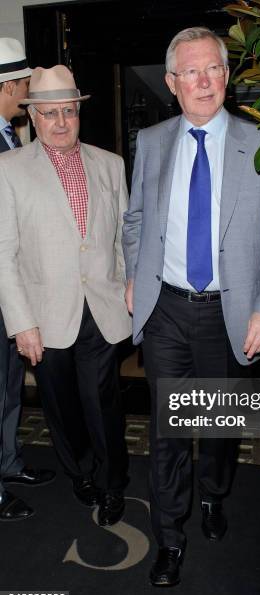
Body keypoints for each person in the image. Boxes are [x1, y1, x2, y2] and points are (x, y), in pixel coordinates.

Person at [122, 26, 260, 586]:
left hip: (232, 314)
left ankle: (214, 495)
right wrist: (134, 276)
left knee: (219, 426)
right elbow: (136, 221)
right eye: (190, 72)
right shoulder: (151, 143)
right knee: (169, 433)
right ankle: (169, 537)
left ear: (228, 76)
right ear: (172, 83)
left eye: (213, 69)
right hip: (167, 311)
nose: (204, 81)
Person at [0, 65, 132, 527]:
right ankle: (79, 471)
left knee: (103, 401)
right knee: (60, 405)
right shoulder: (8, 170)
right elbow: (3, 254)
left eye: (69, 112)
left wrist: (128, 283)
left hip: (102, 307)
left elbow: (123, 237)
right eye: (50, 113)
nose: (60, 122)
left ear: (79, 112)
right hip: (44, 314)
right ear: (32, 117)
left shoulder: (110, 164)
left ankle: (115, 481)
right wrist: (21, 323)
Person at [0, 38, 55, 522]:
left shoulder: (9, 136)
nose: (26, 94)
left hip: (9, 299)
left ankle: (9, 464)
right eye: (23, 84)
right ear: (9, 85)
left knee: (10, 387)